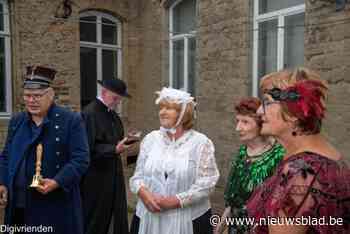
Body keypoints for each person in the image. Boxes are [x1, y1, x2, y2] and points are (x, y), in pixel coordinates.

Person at [247, 69, 350, 234]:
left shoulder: (302, 171)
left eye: (267, 102)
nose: (259, 111)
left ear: (293, 113)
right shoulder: (323, 156)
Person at [0, 65, 90, 233]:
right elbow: (6, 156)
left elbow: (81, 159)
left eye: (37, 96)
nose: (31, 100)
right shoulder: (17, 121)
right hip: (17, 207)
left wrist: (57, 181)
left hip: (53, 207)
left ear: (50, 95)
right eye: (27, 95)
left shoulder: (70, 120)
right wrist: (3, 183)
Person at [129, 87, 220, 234]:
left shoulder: (201, 143)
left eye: (169, 108)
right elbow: (137, 177)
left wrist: (176, 201)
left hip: (188, 220)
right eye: (161, 107)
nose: (162, 112)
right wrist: (143, 193)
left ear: (184, 113)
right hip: (148, 219)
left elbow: (207, 183)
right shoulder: (150, 139)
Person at [214, 97, 285, 234]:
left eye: (245, 122)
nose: (238, 128)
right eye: (237, 121)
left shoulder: (278, 155)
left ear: (261, 124)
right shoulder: (243, 152)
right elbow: (232, 202)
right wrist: (219, 229)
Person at [81, 78, 132, 234]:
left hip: (112, 174)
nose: (117, 102)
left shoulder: (112, 115)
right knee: (95, 219)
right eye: (115, 98)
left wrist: (126, 140)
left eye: (119, 99)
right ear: (103, 92)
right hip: (95, 177)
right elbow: (86, 148)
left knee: (112, 215)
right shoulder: (90, 113)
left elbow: (114, 139)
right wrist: (113, 149)